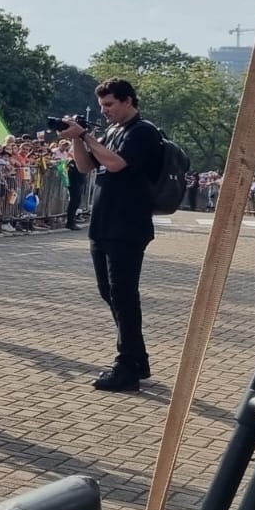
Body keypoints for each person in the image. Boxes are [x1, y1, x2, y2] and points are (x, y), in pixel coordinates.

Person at [58, 78, 163, 393]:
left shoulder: (143, 132)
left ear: (128, 101)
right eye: (102, 105)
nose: (104, 111)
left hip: (128, 225)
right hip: (104, 224)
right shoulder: (112, 131)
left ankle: (127, 366)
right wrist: (77, 139)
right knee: (110, 293)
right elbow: (86, 166)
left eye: (109, 105)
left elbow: (116, 164)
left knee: (124, 296)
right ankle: (137, 357)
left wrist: (86, 135)